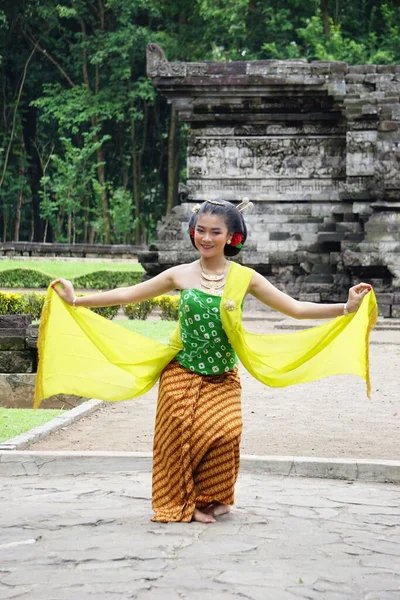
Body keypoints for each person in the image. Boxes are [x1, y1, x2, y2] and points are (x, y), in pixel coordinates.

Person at [49, 198, 373, 524]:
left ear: (231, 237)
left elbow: (295, 308)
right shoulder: (180, 274)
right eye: (200, 230)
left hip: (222, 374)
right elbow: (127, 294)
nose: (206, 238)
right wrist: (77, 301)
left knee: (225, 433)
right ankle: (185, 504)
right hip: (181, 369)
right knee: (178, 436)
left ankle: (212, 499)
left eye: (215, 232)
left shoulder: (245, 278)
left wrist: (345, 308)